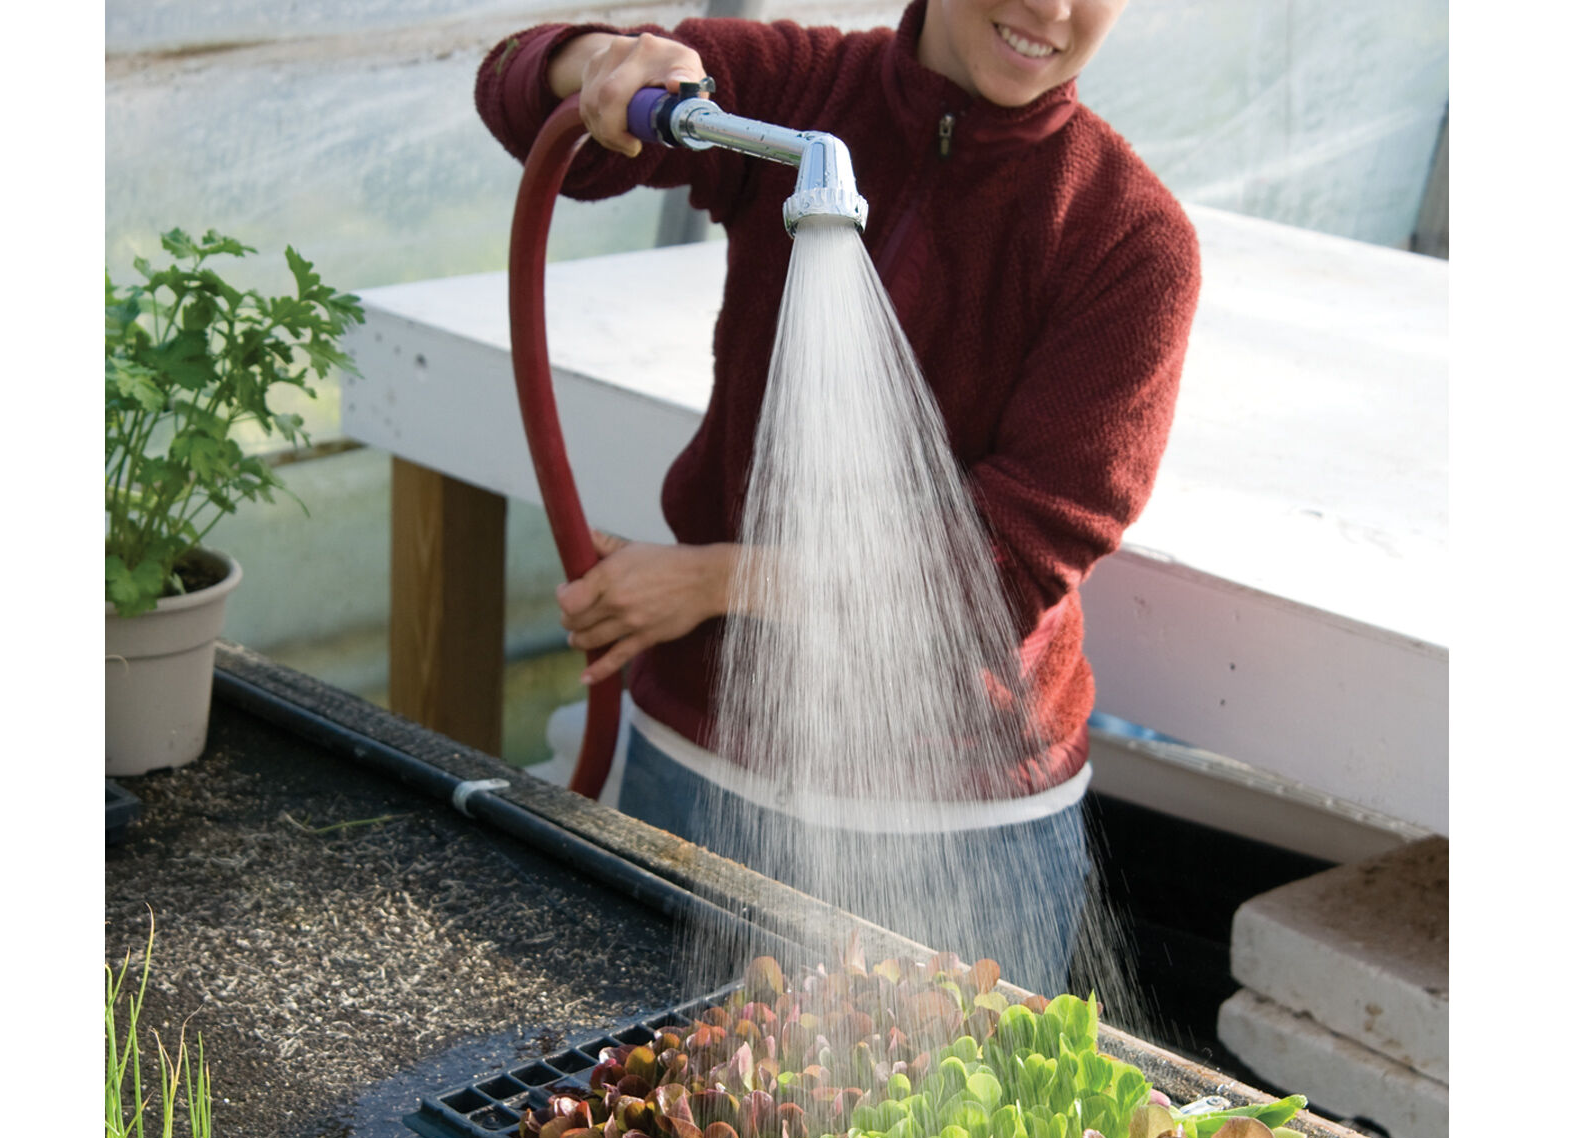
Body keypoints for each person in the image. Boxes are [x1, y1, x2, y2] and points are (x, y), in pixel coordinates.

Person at [476, 0, 1201, 995]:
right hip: (700, 768)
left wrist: (710, 583)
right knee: (629, 1133)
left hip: (957, 827)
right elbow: (521, 93)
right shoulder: (802, 92)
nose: (1050, 9)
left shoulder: (1125, 239)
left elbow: (1003, 566)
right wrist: (601, 63)